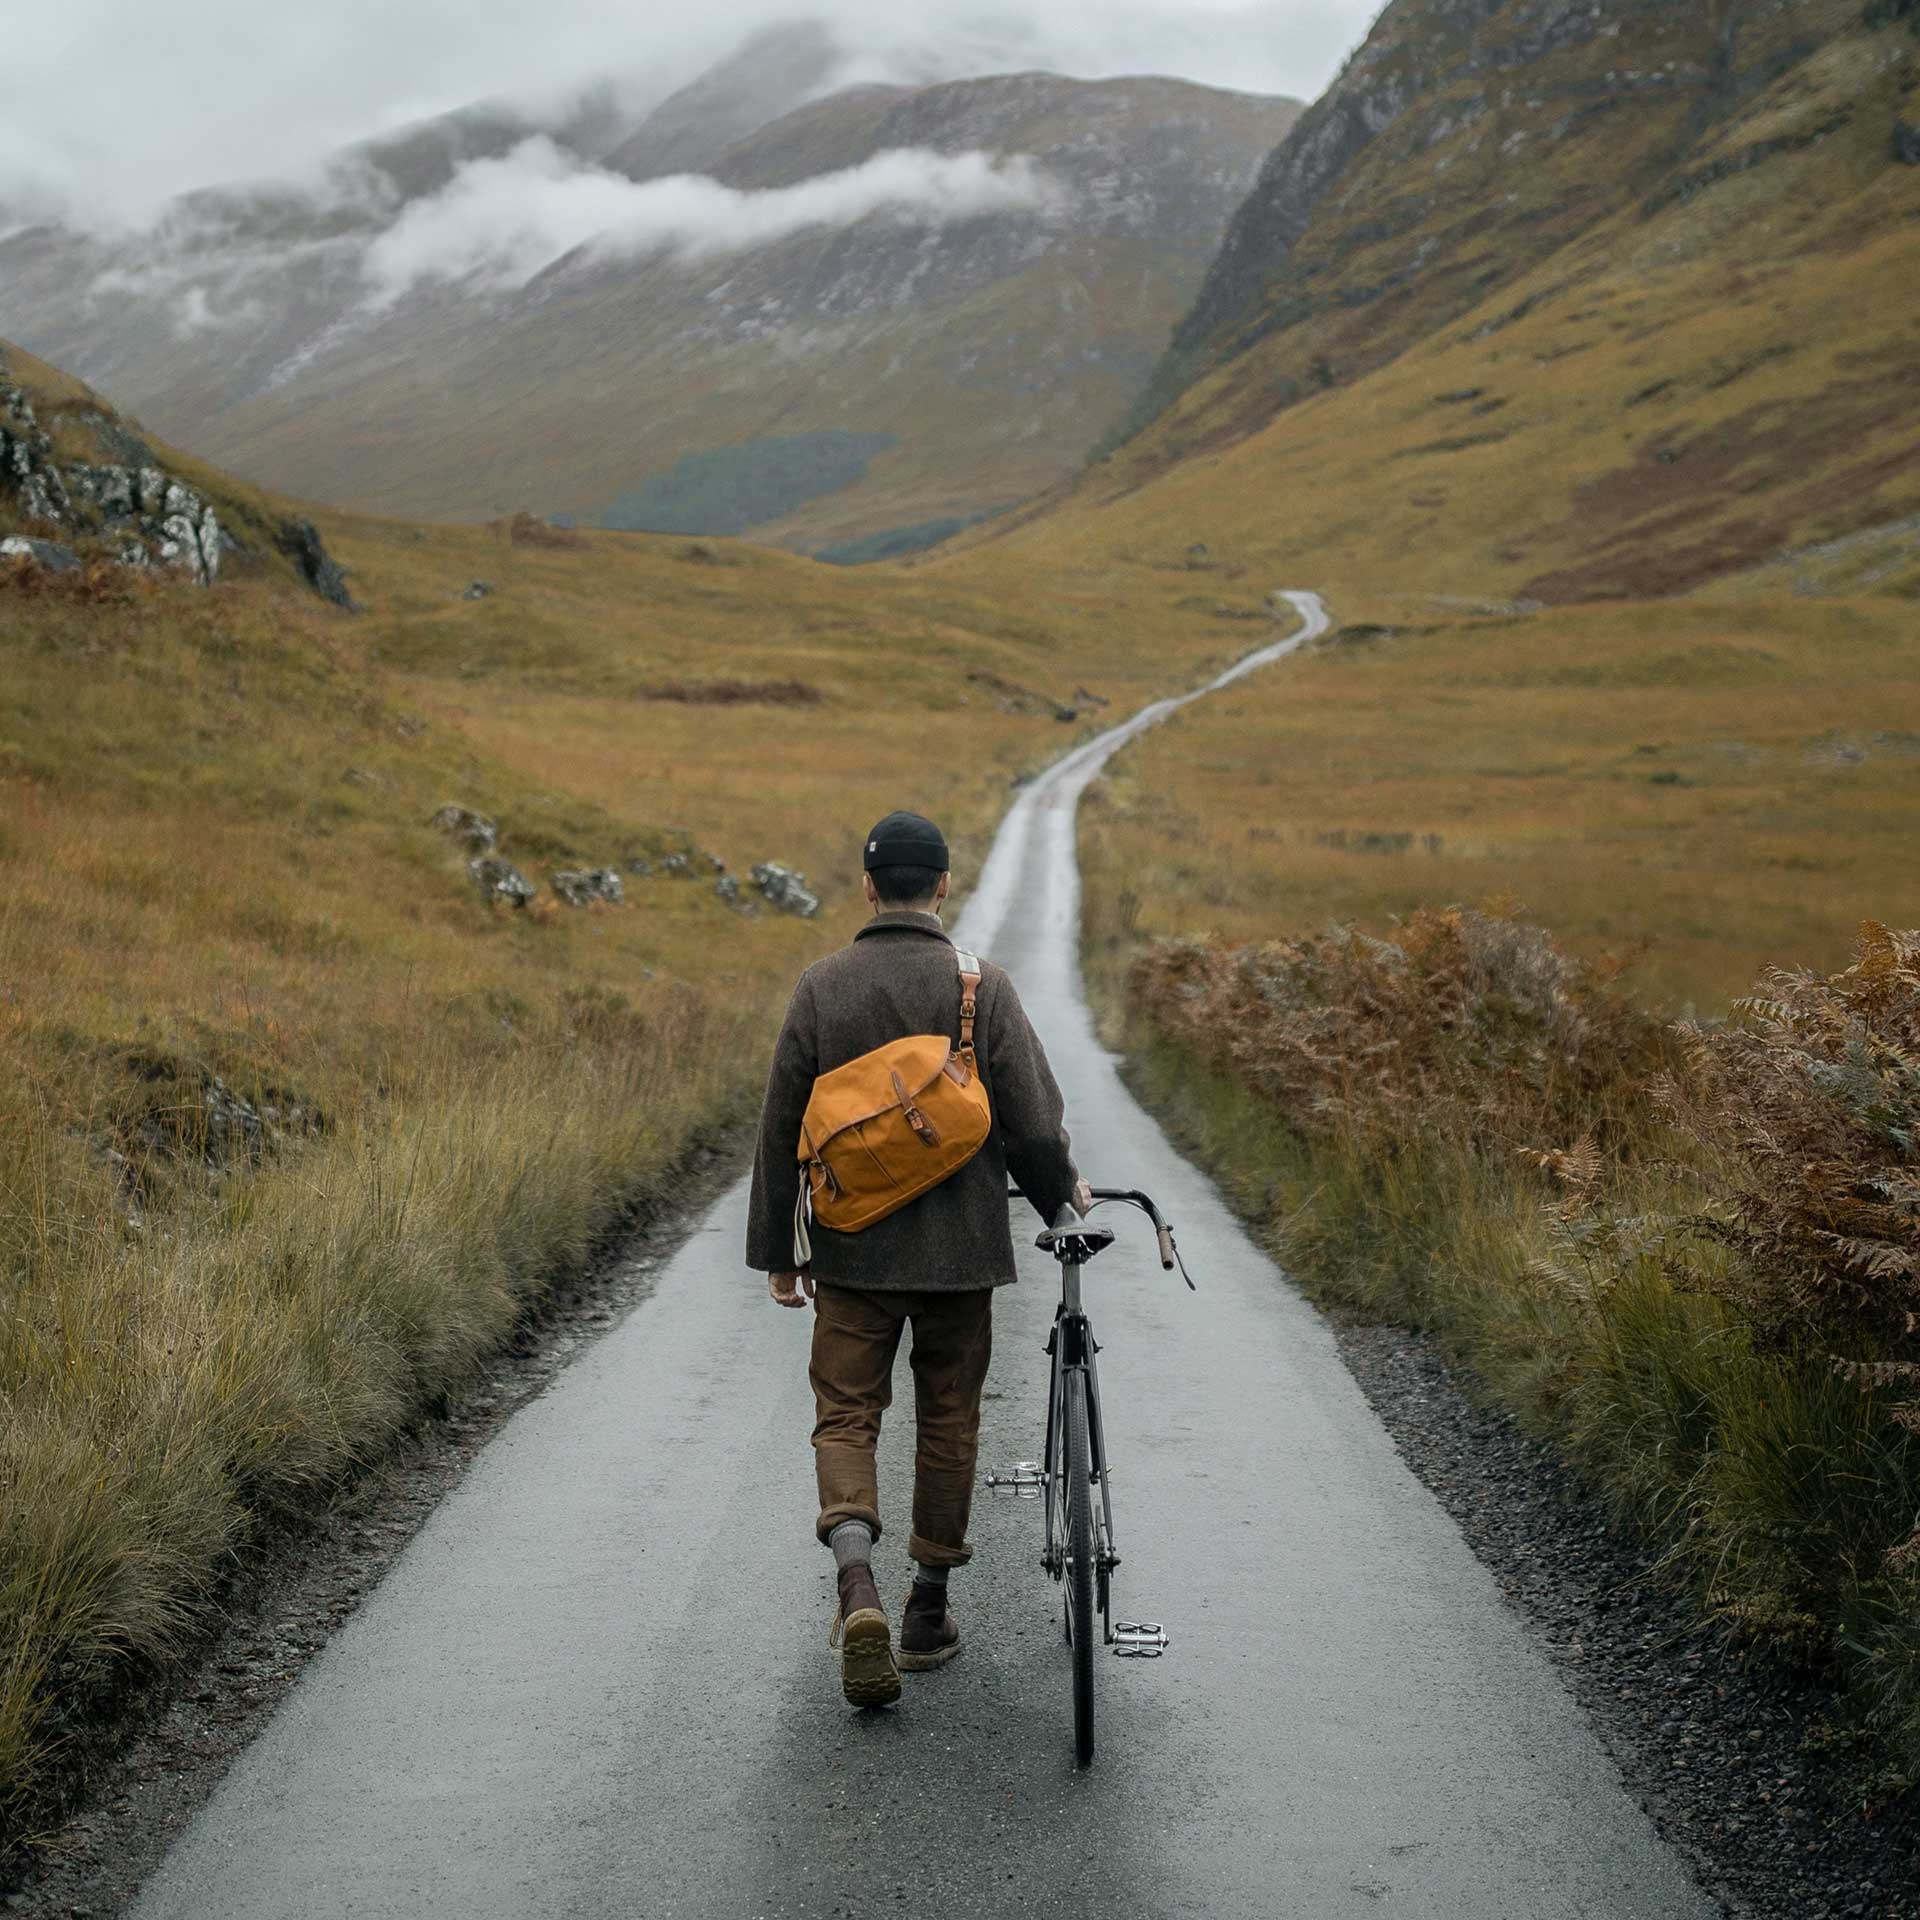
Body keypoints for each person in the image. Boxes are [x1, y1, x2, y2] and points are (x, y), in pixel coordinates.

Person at [746, 809, 1088, 1709]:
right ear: (942, 885)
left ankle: (854, 1583)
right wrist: (1061, 1202)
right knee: (947, 1420)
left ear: (867, 886)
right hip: (960, 1259)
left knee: (847, 1416)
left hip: (853, 1254)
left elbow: (781, 1128)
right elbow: (1031, 1123)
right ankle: (926, 1611)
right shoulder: (983, 988)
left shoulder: (822, 986)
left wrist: (780, 1254)